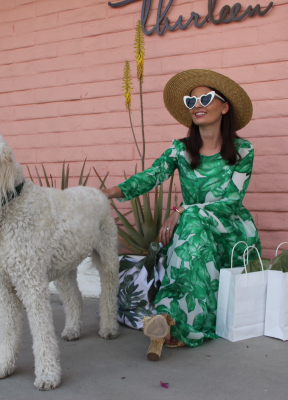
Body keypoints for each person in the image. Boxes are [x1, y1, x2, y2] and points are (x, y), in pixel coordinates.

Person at [102, 69, 261, 352]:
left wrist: (182, 208)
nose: (197, 105)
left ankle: (176, 320)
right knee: (193, 223)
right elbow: (151, 176)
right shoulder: (180, 150)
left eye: (206, 98)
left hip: (232, 232)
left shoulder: (243, 150)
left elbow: (231, 201)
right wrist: (110, 193)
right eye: (191, 101)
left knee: (192, 218)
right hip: (195, 232)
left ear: (224, 107)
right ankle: (170, 319)